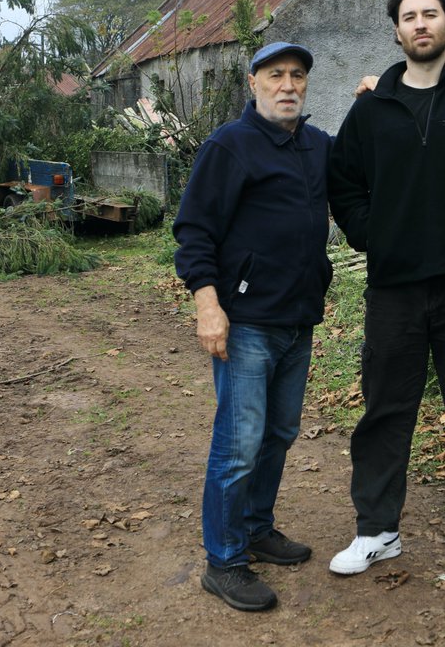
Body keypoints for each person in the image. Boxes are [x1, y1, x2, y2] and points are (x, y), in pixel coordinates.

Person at [328, 0, 445, 581]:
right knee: (385, 408)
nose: (421, 24)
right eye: (409, 17)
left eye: (431, 14)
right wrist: (368, 234)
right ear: (397, 32)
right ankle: (377, 530)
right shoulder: (371, 108)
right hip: (394, 287)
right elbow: (344, 181)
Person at [172, 42, 333, 612]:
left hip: (298, 320)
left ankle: (257, 529)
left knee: (279, 434)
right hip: (245, 324)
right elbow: (193, 230)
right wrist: (207, 305)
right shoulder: (230, 145)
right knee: (238, 445)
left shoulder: (316, 146)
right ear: (253, 82)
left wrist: (377, 99)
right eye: (275, 76)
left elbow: (368, 163)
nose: (287, 85)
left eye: (296, 76)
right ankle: (225, 561)